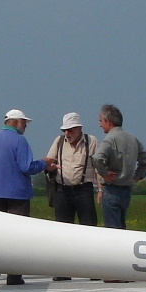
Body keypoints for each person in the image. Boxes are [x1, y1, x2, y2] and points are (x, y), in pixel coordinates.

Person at [0, 109, 58, 285]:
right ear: (16, 122)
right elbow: (26, 167)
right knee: (17, 237)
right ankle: (14, 275)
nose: (25, 126)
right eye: (24, 122)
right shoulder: (19, 141)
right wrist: (44, 163)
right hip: (17, 195)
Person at [46, 112, 100, 281]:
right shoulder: (59, 141)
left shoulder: (91, 142)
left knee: (89, 229)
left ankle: (93, 269)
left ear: (79, 129)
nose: (67, 134)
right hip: (63, 190)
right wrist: (50, 168)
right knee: (62, 231)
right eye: (65, 130)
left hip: (83, 190)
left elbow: (98, 167)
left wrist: (101, 189)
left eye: (70, 130)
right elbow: (49, 160)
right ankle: (63, 270)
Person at [93, 103, 146, 231]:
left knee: (113, 231)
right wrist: (135, 177)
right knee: (122, 228)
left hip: (112, 188)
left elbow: (97, 158)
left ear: (107, 121)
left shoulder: (109, 139)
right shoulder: (133, 139)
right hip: (126, 190)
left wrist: (104, 173)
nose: (100, 124)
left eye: (101, 121)